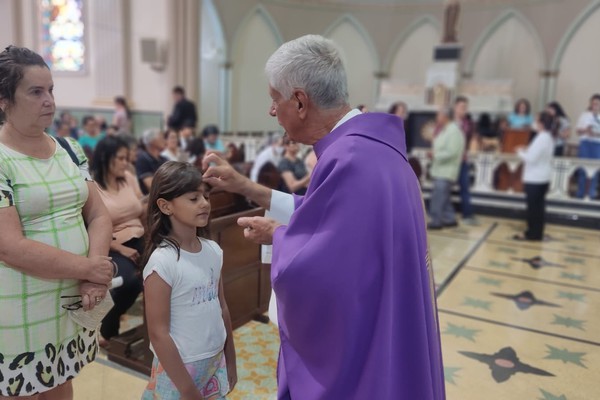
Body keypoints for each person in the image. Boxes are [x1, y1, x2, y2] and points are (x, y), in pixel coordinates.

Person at [203, 34, 444, 399]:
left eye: (274, 99)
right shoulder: (374, 151)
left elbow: (320, 270)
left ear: (300, 101)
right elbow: (333, 223)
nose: (272, 111)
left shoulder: (348, 159)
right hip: (390, 327)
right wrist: (248, 189)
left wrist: (285, 239)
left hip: (362, 357)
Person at [0, 45, 114, 398]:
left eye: (51, 90)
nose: (49, 100)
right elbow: (8, 245)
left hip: (73, 298)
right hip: (19, 306)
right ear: (4, 99)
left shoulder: (69, 148)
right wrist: (90, 268)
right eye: (36, 92)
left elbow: (98, 214)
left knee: (62, 384)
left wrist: (92, 274)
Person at [141, 161, 236, 399]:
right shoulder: (163, 262)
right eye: (194, 199)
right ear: (165, 206)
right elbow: (158, 333)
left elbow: (221, 307)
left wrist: (231, 359)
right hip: (178, 370)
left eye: (205, 196)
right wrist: (187, 390)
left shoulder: (213, 250)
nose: (204, 204)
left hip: (214, 361)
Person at [91, 136, 145, 343]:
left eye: (127, 158)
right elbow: (90, 228)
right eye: (121, 159)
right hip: (111, 244)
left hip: (139, 237)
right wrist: (120, 249)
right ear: (105, 158)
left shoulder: (128, 178)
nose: (126, 163)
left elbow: (141, 207)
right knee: (129, 282)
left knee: (169, 267)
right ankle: (107, 330)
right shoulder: (93, 187)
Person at [514, 111, 555, 241]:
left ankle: (532, 233)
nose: (534, 123)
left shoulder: (541, 138)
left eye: (536, 120)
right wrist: (527, 149)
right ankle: (537, 231)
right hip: (543, 177)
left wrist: (519, 152)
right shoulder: (548, 137)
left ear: (541, 124)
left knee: (533, 208)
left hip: (535, 178)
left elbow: (531, 159)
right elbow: (537, 153)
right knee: (539, 208)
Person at [428, 107, 465, 229]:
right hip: (441, 169)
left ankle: (436, 221)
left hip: (447, 170)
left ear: (445, 116)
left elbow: (452, 152)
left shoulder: (453, 131)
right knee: (444, 196)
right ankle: (450, 218)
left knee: (438, 196)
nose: (436, 118)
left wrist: (435, 155)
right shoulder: (445, 130)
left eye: (438, 115)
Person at [454, 96, 478, 224]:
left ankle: (467, 214)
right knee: (444, 187)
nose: (463, 109)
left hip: (462, 159)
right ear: (455, 107)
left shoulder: (468, 124)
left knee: (465, 186)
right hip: (449, 160)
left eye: (465, 107)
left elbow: (471, 138)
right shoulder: (448, 122)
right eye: (461, 106)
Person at [575, 93, 600, 199]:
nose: (595, 105)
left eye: (597, 103)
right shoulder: (584, 115)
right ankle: (580, 193)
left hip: (597, 144)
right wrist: (586, 130)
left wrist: (596, 133)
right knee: (583, 168)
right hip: (585, 143)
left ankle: (591, 193)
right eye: (593, 103)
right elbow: (578, 130)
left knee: (594, 168)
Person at [136, 128, 168, 195]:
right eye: (161, 138)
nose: (164, 141)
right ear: (151, 141)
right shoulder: (143, 159)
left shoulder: (164, 159)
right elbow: (151, 186)